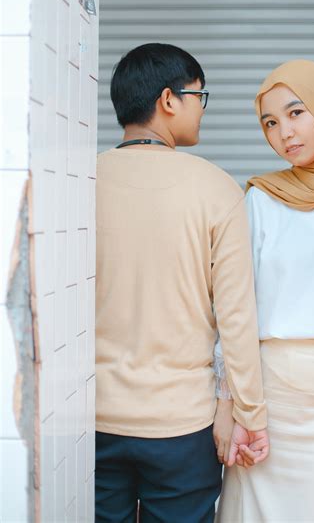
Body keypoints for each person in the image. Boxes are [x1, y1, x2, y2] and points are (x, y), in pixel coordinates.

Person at [95, 43, 269, 523]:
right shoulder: (217, 188)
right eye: (199, 96)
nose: (201, 109)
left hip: (90, 418)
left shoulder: (80, 179)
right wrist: (247, 414)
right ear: (169, 100)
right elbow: (236, 316)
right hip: (182, 426)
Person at [215, 59, 314, 523]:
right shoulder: (260, 199)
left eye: (296, 112)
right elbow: (235, 308)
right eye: (270, 122)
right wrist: (233, 404)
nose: (285, 132)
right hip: (272, 404)